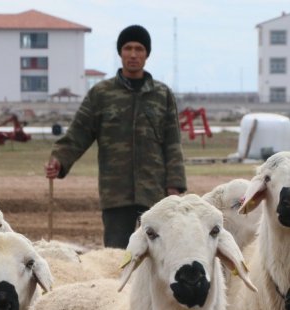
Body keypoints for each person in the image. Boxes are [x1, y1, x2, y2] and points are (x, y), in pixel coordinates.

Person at [45, 24, 187, 249]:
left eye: (139, 49)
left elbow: (172, 143)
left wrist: (175, 186)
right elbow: (78, 133)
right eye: (127, 48)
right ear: (120, 53)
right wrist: (59, 160)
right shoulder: (101, 94)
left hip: (155, 195)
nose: (133, 54)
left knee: (158, 255)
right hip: (115, 194)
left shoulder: (162, 95)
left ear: (147, 54)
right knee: (115, 257)